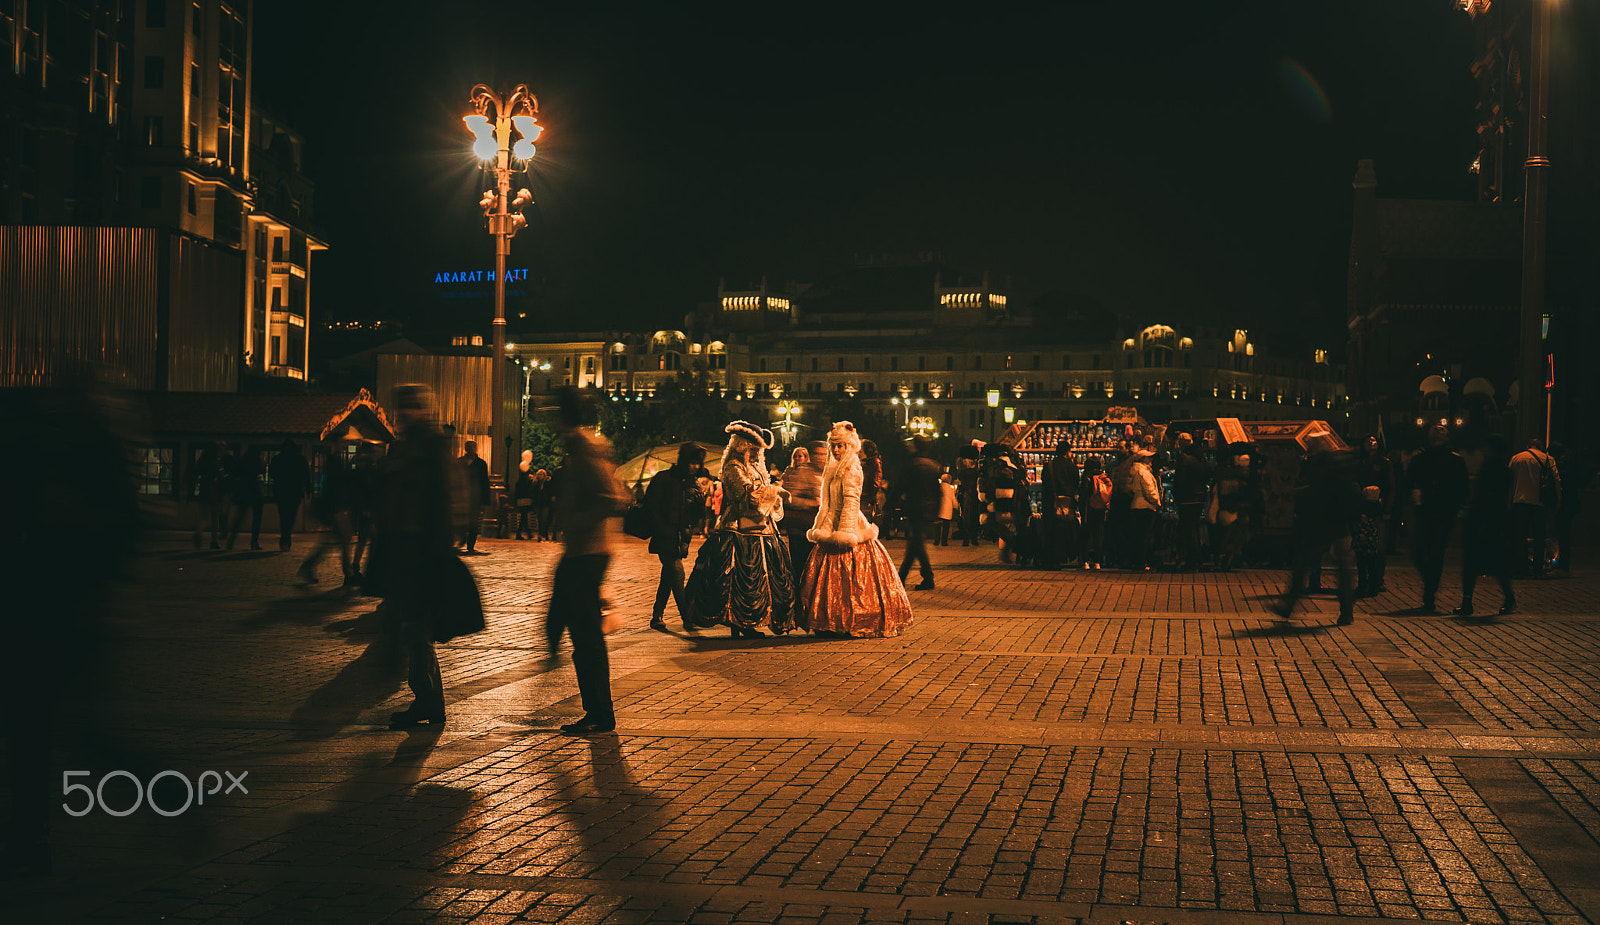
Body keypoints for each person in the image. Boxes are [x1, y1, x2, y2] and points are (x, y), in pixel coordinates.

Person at [545, 388, 631, 736]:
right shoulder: (580, 445)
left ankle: (599, 712)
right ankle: (595, 708)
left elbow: (612, 497)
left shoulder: (583, 446)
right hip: (585, 549)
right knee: (579, 627)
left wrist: (576, 521)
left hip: (589, 550)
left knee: (587, 636)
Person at [370, 386, 456, 728]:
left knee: (414, 629)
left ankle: (427, 699)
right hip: (403, 548)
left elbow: (440, 501)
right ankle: (427, 698)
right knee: (413, 629)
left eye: (411, 406)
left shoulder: (429, 446)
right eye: (401, 406)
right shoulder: (406, 446)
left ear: (423, 408)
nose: (404, 412)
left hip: (420, 552)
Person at [800, 421, 914, 638]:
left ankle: (851, 621)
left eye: (840, 445)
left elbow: (851, 502)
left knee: (852, 578)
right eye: (833, 445)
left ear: (850, 446)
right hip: (831, 523)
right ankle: (831, 621)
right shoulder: (834, 465)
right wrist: (823, 526)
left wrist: (844, 534)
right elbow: (828, 502)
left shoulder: (852, 467)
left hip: (849, 525)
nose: (835, 450)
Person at [685, 422, 795, 637]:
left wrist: (774, 493)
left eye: (758, 450)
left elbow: (762, 492)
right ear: (743, 447)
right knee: (739, 574)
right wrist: (775, 491)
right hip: (738, 528)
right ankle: (740, 622)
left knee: (765, 573)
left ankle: (753, 620)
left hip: (762, 526)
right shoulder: (733, 467)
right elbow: (746, 496)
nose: (756, 454)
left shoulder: (753, 467)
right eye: (753, 449)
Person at [1271, 437, 1359, 626]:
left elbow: (1315, 492)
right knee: (1342, 567)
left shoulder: (1316, 466)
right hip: (1335, 520)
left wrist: (1299, 498)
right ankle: (1346, 611)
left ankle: (1289, 605)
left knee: (1303, 564)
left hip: (1318, 519)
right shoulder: (1337, 464)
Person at [645, 442, 708, 632]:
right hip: (665, 536)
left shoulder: (693, 483)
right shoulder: (664, 479)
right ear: (683, 461)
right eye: (692, 462)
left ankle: (657, 615)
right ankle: (686, 615)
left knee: (669, 575)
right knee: (677, 572)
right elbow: (651, 508)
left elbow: (695, 517)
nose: (695, 466)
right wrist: (661, 528)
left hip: (681, 537)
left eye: (698, 463)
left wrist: (699, 506)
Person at [1407, 424, 1469, 613]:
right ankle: (1430, 584)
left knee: (1435, 553)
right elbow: (1409, 480)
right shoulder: (1420, 458)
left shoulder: (1455, 460)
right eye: (1435, 430)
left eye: (1442, 430)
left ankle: (1430, 593)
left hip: (1443, 513)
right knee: (1418, 552)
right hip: (1425, 510)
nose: (1438, 432)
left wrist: (1457, 508)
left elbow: (1462, 487)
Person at [1455, 434, 1516, 620]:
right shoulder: (1503, 470)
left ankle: (1467, 601)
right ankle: (1508, 598)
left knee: (1474, 564)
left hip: (1484, 520)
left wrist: (1475, 517)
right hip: (1493, 520)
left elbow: (1485, 496)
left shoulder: (1490, 469)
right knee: (1497, 565)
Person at [297, 447, 355, 586]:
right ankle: (348, 573)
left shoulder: (333, 463)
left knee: (335, 541)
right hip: (335, 507)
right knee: (343, 539)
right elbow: (337, 485)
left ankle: (309, 567)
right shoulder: (336, 464)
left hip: (334, 507)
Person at [892, 434, 941, 590]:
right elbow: (937, 491)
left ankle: (921, 578)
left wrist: (890, 506)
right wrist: (937, 510)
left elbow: (899, 487)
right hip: (929, 508)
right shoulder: (934, 466)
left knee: (916, 544)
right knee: (915, 545)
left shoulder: (910, 465)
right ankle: (908, 578)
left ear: (915, 447)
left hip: (915, 508)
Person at [1508, 438, 1560, 578]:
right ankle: (1537, 567)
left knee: (1521, 536)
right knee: (1539, 537)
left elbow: (1509, 480)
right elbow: (1556, 481)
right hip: (1540, 502)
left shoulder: (1516, 458)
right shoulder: (1548, 459)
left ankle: (1522, 567)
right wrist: (1557, 502)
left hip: (1520, 501)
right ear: (1541, 447)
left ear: (1528, 445)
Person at [780, 441, 826, 587]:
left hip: (820, 529)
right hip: (801, 528)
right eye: (818, 454)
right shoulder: (803, 472)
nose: (821, 457)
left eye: (824, 454)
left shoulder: (830, 473)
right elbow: (790, 498)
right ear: (811, 456)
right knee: (801, 570)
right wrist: (813, 503)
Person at [1355, 435, 1396, 594]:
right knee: (1362, 546)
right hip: (1363, 510)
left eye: (1373, 440)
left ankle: (1377, 580)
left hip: (1379, 510)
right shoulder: (1360, 464)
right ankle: (1363, 581)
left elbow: (1391, 487)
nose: (1371, 443)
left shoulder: (1385, 463)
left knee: (1378, 547)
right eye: (1367, 441)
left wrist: (1387, 509)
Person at [1172, 435, 1211, 571]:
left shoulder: (1184, 458)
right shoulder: (1201, 457)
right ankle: (1196, 559)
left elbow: (1179, 480)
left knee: (1188, 530)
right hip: (1199, 497)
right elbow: (1207, 475)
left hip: (1186, 498)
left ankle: (1191, 560)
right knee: (1194, 528)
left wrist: (1177, 495)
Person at [1040, 440, 1079, 569]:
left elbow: (1045, 483)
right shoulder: (1072, 466)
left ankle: (1049, 560)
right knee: (1064, 531)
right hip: (1066, 504)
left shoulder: (1049, 466)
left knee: (1050, 531)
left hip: (1051, 502)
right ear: (1067, 452)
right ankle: (1062, 557)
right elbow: (1075, 483)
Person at [269, 439, 311, 551]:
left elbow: (272, 474)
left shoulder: (277, 459)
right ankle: (286, 538)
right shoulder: (300, 459)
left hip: (281, 491)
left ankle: (284, 539)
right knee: (291, 516)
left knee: (283, 516)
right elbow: (306, 475)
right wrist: (309, 490)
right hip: (295, 492)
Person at [225, 447, 266, 551]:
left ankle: (232, 539)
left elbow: (234, 473)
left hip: (243, 491)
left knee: (239, 518)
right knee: (257, 518)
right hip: (255, 491)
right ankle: (254, 541)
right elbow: (262, 470)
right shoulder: (257, 462)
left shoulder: (242, 461)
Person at [1127, 449, 1162, 571]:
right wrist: (1157, 502)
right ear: (1143, 460)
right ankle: (1143, 562)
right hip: (1145, 506)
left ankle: (1137, 562)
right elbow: (1149, 490)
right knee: (1145, 536)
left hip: (1136, 505)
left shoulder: (1135, 471)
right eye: (1148, 458)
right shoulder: (1144, 473)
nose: (1151, 460)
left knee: (1138, 536)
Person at [189, 443, 227, 549]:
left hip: (204, 489)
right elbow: (220, 476)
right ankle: (213, 541)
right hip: (214, 490)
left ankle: (199, 532)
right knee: (214, 517)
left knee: (204, 516)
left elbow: (196, 473)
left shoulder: (202, 461)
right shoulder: (216, 461)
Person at [458, 440, 491, 554]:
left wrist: (485, 499)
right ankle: (462, 538)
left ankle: (470, 545)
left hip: (475, 497)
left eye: (473, 447)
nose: (471, 449)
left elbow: (484, 482)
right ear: (465, 449)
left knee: (474, 522)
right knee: (462, 520)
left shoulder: (481, 464)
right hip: (462, 497)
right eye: (469, 447)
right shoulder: (460, 462)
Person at [1078, 456, 1111, 569]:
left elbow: (1083, 494)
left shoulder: (1087, 477)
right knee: (1099, 535)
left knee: (1085, 536)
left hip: (1088, 510)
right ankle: (1097, 561)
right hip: (1101, 510)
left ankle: (1085, 561)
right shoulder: (1103, 477)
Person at [955, 444, 982, 546]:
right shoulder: (976, 469)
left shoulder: (961, 468)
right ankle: (973, 538)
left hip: (964, 493)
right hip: (975, 493)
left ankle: (966, 538)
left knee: (966, 516)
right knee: (975, 515)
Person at [860, 438, 886, 525]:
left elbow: (875, 481)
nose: (858, 451)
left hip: (867, 500)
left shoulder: (874, 463)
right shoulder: (864, 463)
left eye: (861, 449)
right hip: (863, 498)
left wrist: (872, 497)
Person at [512, 450, 537, 539]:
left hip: (521, 497)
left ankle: (525, 532)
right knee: (524, 516)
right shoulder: (527, 480)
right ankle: (521, 533)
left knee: (524, 516)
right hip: (525, 497)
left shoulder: (520, 481)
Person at [936, 472, 958, 546]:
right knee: (946, 526)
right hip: (947, 509)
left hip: (939, 508)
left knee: (938, 525)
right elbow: (953, 499)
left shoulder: (939, 487)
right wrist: (956, 506)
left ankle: (936, 540)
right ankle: (944, 541)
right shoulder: (950, 488)